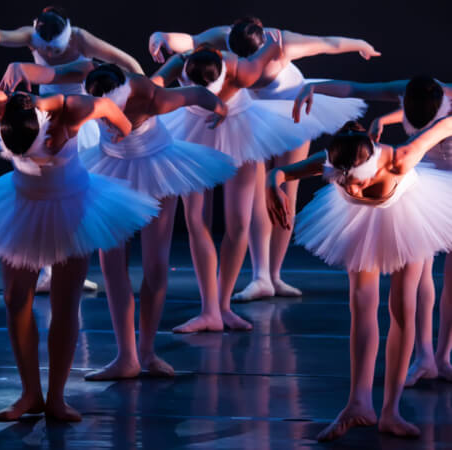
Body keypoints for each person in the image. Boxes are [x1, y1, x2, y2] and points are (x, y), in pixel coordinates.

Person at [0, 59, 236, 379]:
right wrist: (27, 83)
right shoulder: (90, 94)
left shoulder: (151, 96)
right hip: (110, 167)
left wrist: (220, 108)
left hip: (155, 168)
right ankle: (127, 356)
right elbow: (55, 80)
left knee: (155, 264)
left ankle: (148, 351)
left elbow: (193, 94)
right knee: (111, 264)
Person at [0, 76, 159, 421]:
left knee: (65, 301)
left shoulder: (70, 112)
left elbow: (106, 107)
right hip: (21, 204)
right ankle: (31, 394)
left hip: (70, 206)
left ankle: (56, 396)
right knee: (15, 298)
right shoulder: (5, 107)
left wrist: (123, 130)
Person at [149, 17, 375, 301]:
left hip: (290, 110)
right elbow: (189, 41)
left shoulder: (283, 42)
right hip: (250, 116)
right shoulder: (223, 36)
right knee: (258, 194)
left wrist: (360, 45)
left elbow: (327, 44)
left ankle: (275, 274)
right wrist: (161, 36)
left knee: (285, 190)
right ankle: (261, 276)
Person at [267, 118, 452, 440]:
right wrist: (273, 185)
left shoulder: (401, 158)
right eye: (343, 181)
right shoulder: (331, 159)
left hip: (408, 215)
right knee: (361, 305)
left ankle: (390, 411)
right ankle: (358, 404)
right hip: (360, 223)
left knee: (402, 309)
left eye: (358, 181)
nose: (352, 188)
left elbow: (446, 125)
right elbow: (280, 171)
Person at [293, 76, 452, 386]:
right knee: (420, 269)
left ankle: (445, 354)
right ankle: (424, 355)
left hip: (434, 173)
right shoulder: (405, 91)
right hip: (425, 175)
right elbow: (355, 87)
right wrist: (313, 86)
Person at [155, 37, 320, 332]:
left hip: (238, 131)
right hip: (192, 132)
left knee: (240, 223)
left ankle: (223, 306)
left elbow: (273, 46)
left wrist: (273, 43)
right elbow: (152, 86)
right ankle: (209, 311)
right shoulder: (179, 63)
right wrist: (159, 39)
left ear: (223, 74)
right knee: (195, 219)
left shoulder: (242, 69)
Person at [0, 5, 145, 293]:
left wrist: (142, 92)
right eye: (48, 51)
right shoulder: (31, 35)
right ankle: (49, 269)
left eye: (57, 50)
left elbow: (124, 60)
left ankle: (69, 263)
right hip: (44, 119)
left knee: (74, 196)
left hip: (77, 119)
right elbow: (7, 35)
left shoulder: (81, 40)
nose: (52, 55)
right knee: (44, 193)